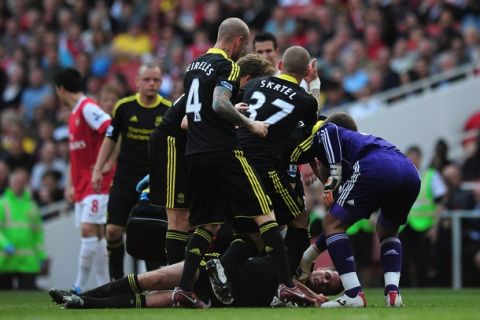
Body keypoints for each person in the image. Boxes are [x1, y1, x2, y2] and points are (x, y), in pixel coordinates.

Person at [176, 17, 307, 308]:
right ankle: (286, 286)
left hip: (195, 156)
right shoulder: (229, 66)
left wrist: (226, 112)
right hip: (224, 154)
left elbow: (188, 119)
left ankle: (184, 288)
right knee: (266, 216)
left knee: (206, 226)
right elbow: (219, 104)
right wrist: (250, 124)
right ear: (237, 41)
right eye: (244, 45)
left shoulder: (192, 67)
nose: (243, 51)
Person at [135, 53, 277, 266]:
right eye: (258, 84)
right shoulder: (225, 91)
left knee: (208, 221)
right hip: (172, 142)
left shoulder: (219, 83)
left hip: (191, 149)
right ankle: (175, 285)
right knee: (179, 221)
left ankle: (189, 279)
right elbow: (185, 122)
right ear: (247, 79)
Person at [296, 114, 421, 307]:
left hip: (375, 166)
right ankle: (393, 294)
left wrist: (307, 257)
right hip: (409, 170)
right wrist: (311, 254)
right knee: (387, 230)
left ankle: (354, 294)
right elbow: (337, 219)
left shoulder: (327, 134)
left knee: (332, 223)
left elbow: (333, 224)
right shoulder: (357, 144)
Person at [225, 46, 318, 276]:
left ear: (279, 66)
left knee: (254, 234)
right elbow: (311, 128)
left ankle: (219, 270)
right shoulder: (305, 100)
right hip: (265, 167)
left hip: (235, 162)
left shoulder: (255, 84)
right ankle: (286, 286)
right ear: (307, 70)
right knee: (299, 219)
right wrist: (314, 84)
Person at [48, 248, 342, 309]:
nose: (325, 280)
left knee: (156, 301)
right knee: (151, 279)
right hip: (215, 271)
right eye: (329, 274)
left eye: (330, 284)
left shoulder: (301, 304)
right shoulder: (294, 261)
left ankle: (81, 302)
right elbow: (298, 272)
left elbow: (298, 295)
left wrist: (320, 302)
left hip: (224, 299)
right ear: (321, 268)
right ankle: (86, 292)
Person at [92, 63, 172, 278]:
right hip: (125, 178)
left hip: (154, 181)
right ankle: (116, 281)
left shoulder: (168, 109)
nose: (151, 84)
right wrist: (98, 169)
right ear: (137, 81)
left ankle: (151, 283)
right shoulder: (124, 107)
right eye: (147, 79)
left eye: (156, 80)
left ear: (161, 82)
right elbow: (111, 139)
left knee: (151, 232)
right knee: (112, 231)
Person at [54, 67, 114, 294]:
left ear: (60, 89)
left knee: (89, 230)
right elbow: (75, 154)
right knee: (96, 234)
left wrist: (107, 164)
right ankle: (103, 286)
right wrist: (70, 184)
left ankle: (77, 286)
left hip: (96, 182)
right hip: (82, 184)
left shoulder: (88, 108)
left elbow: (112, 129)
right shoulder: (75, 113)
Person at [401, 146, 446, 287]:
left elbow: (440, 202)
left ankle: (423, 287)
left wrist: (435, 226)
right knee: (403, 259)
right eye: (410, 157)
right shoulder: (400, 176)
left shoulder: (430, 176)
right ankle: (403, 288)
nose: (413, 160)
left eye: (416, 157)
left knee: (422, 260)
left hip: (424, 225)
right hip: (403, 225)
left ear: (420, 159)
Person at [0, 169, 46, 290]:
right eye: (16, 181)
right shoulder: (2, 204)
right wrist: (5, 244)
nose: (18, 184)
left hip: (28, 262)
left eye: (21, 181)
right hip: (6, 260)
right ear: (10, 183)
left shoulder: (32, 206)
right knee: (4, 299)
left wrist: (41, 255)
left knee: (28, 298)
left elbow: (38, 234)